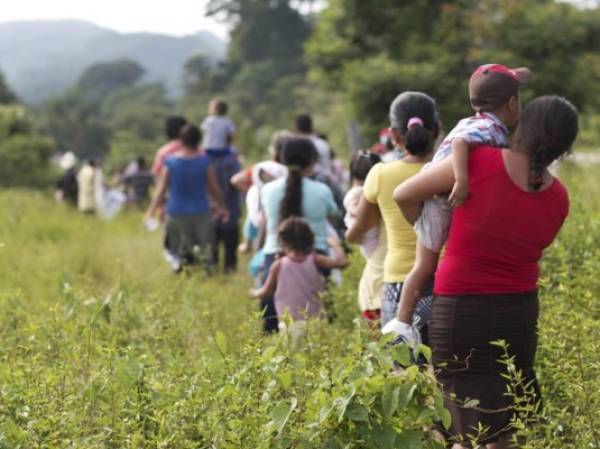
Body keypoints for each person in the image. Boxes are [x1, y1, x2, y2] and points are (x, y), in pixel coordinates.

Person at [393, 96, 578, 448]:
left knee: (462, 426)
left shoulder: (477, 162)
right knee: (504, 429)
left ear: (524, 125)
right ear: (564, 147)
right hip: (518, 313)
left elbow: (404, 194)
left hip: (461, 311)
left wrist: (434, 233)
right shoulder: (559, 198)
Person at [385, 64, 532, 345]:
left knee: (425, 265)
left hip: (435, 200)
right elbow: (461, 144)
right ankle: (402, 323)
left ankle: (404, 322)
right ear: (512, 103)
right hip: (439, 200)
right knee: (424, 266)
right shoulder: (487, 128)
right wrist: (461, 181)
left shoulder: (476, 122)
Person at [346, 91, 440, 341]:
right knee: (443, 369)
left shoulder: (380, 174)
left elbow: (361, 228)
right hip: (444, 282)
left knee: (400, 369)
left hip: (397, 282)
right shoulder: (450, 172)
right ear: (437, 130)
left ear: (394, 135)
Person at [259, 137, 339, 333]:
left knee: (272, 324)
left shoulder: (268, 190)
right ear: (312, 161)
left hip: (275, 255)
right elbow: (333, 216)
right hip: (316, 257)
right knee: (320, 321)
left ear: (281, 160)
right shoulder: (322, 191)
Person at [145, 125, 229, 272]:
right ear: (198, 140)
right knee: (205, 252)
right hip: (200, 212)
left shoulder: (170, 162)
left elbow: (161, 189)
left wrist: (151, 210)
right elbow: (213, 188)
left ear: (181, 141)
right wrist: (222, 206)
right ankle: (207, 274)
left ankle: (181, 271)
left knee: (179, 252)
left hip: (175, 213)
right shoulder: (204, 161)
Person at [249, 217, 347, 331]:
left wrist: (254, 293)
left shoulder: (278, 265)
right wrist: (336, 245)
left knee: (292, 349)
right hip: (316, 322)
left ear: (282, 241)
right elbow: (342, 263)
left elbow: (266, 292)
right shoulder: (315, 260)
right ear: (310, 237)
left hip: (289, 324)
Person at [343, 150, 385, 323]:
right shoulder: (364, 192)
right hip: (371, 236)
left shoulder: (356, 192)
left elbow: (356, 216)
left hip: (368, 238)